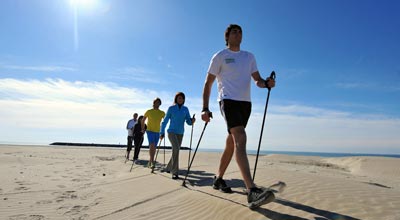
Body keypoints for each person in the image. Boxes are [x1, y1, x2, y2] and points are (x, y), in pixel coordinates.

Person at [201, 24, 276, 209]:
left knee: (232, 141)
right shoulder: (219, 56)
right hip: (228, 101)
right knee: (240, 138)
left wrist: (266, 83)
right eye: (234, 31)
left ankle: (218, 179)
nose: (238, 33)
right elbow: (208, 83)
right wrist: (205, 108)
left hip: (245, 104)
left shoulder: (249, 56)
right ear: (227, 36)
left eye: (240, 31)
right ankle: (252, 191)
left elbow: (256, 80)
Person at [160, 92, 195, 179]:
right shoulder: (171, 108)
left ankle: (168, 167)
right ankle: (175, 172)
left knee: (176, 151)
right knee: (175, 149)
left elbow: (188, 122)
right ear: (176, 99)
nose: (180, 99)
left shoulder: (185, 109)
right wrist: (161, 132)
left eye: (182, 98)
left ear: (183, 100)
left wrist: (192, 121)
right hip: (171, 132)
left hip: (180, 133)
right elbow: (165, 121)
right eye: (179, 98)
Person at [142, 98, 165, 168]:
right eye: (156, 102)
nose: (157, 104)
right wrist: (143, 129)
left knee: (154, 147)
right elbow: (143, 120)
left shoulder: (162, 113)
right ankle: (152, 162)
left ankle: (150, 161)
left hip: (157, 132)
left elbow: (165, 121)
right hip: (149, 131)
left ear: (160, 104)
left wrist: (162, 132)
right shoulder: (149, 111)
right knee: (152, 145)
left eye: (158, 103)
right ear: (153, 103)